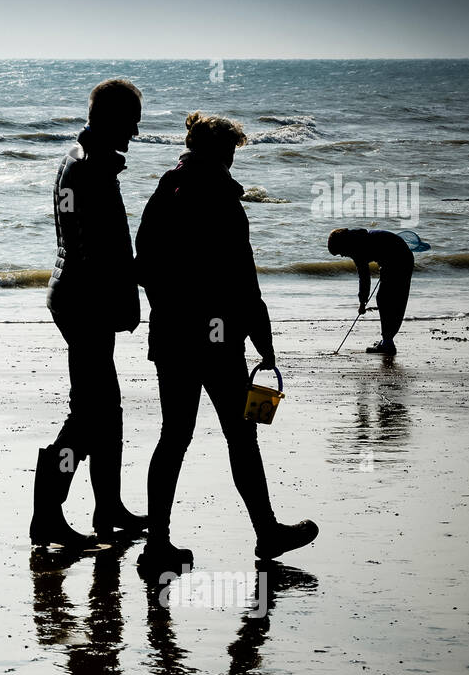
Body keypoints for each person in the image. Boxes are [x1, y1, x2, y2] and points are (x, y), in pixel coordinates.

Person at [135, 112, 317, 568]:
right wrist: (264, 341)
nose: (233, 161)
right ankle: (267, 532)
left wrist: (168, 311)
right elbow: (243, 281)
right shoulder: (223, 200)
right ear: (221, 152)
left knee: (174, 436)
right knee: (241, 434)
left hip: (172, 333)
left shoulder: (164, 191)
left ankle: (157, 544)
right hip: (217, 338)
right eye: (231, 152)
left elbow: (144, 263)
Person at [30, 79, 149, 549]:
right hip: (83, 304)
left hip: (79, 298)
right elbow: (89, 251)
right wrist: (119, 302)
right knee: (87, 416)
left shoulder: (83, 160)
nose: (135, 134)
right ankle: (47, 513)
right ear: (113, 118)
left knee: (107, 411)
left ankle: (109, 507)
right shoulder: (87, 168)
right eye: (132, 123)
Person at [327, 228, 415, 355]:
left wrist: (362, 302)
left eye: (340, 252)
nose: (342, 255)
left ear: (343, 244)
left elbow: (364, 277)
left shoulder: (356, 247)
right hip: (397, 259)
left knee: (386, 300)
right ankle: (387, 341)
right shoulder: (358, 239)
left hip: (400, 260)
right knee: (388, 300)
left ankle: (388, 343)